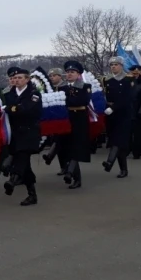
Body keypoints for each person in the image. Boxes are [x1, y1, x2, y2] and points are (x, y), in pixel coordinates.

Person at [2, 68, 42, 206]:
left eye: (20, 77)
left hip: (29, 133)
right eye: (15, 78)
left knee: (22, 156)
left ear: (27, 79)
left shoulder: (34, 93)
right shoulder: (8, 94)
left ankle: (12, 180)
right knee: (26, 166)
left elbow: (26, 109)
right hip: (14, 133)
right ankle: (32, 195)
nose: (17, 80)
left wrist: (10, 108)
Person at [59, 61, 91, 189]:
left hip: (80, 119)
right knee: (67, 147)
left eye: (72, 72)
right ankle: (72, 174)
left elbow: (83, 100)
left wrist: (67, 100)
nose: (69, 74)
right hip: (67, 119)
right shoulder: (62, 87)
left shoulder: (85, 86)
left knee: (76, 148)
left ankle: (74, 176)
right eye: (67, 72)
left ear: (78, 74)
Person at [102, 57, 133, 178]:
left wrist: (114, 108)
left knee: (118, 140)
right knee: (116, 142)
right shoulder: (107, 80)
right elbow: (105, 96)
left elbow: (127, 98)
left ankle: (110, 162)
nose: (113, 67)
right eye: (111, 65)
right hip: (110, 115)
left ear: (121, 66)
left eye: (116, 64)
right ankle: (123, 169)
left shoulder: (128, 79)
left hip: (123, 114)